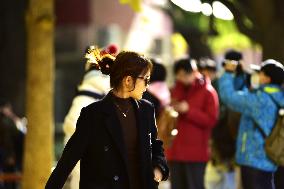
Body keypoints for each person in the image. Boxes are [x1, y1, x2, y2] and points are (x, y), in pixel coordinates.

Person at [45, 50, 169, 189]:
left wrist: (158, 168)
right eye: (145, 79)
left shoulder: (146, 109)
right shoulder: (93, 114)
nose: (147, 86)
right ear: (128, 80)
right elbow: (68, 160)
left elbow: (155, 145)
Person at [218, 59, 284, 189]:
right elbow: (244, 97)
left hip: (253, 159)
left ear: (267, 78)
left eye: (260, 73)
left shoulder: (260, 99)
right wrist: (241, 77)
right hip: (269, 158)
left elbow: (229, 97)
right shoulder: (277, 96)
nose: (258, 76)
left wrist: (228, 73)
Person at [62, 45, 116, 189]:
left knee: (79, 175)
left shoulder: (87, 81)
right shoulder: (105, 83)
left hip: (73, 125)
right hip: (83, 129)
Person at [167, 58, 219, 189]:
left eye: (185, 75)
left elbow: (211, 120)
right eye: (179, 75)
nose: (182, 78)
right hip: (176, 151)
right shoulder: (175, 90)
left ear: (194, 72)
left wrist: (189, 110)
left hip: (196, 153)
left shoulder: (208, 91)